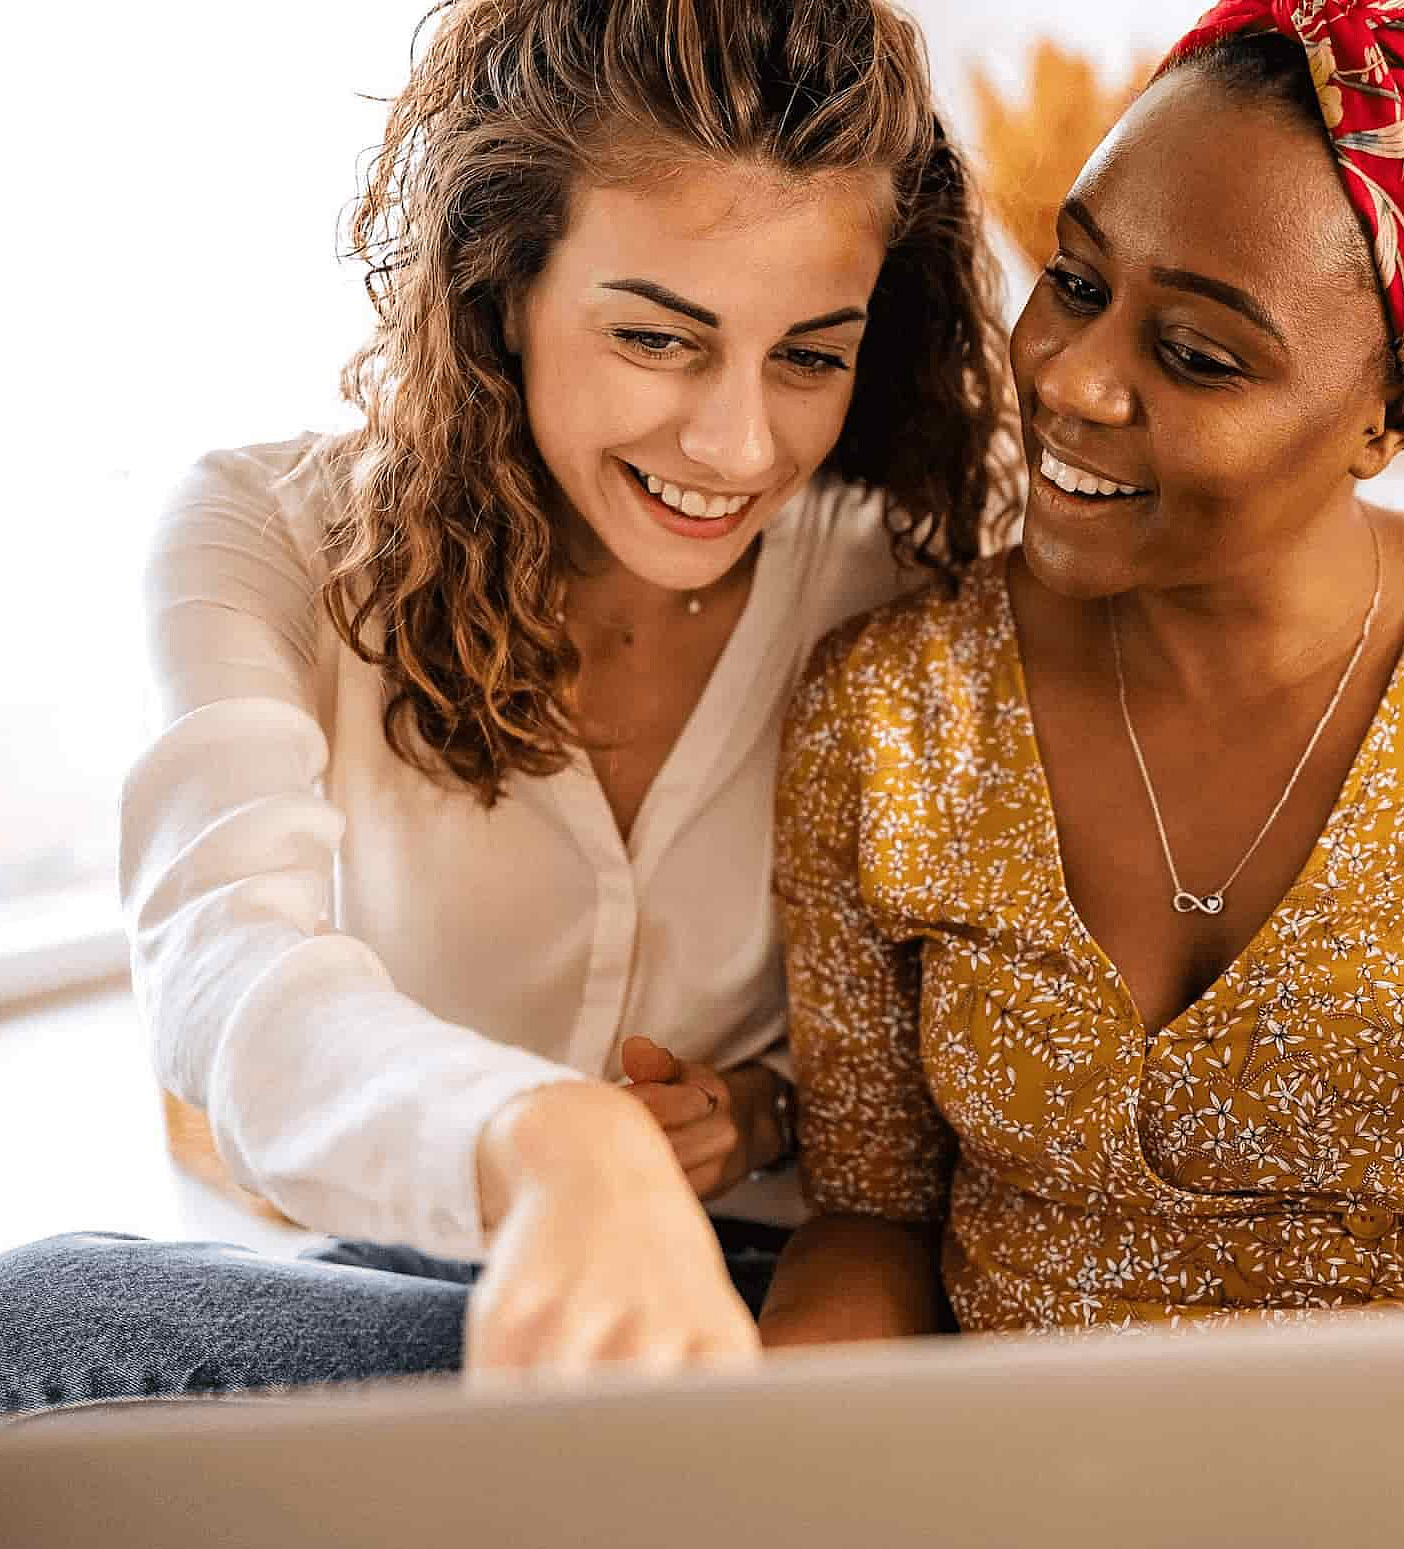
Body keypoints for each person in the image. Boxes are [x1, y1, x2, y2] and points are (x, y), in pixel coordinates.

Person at [757, 2, 1404, 1544]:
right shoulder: (890, 705)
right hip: (1042, 1472)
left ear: (1386, 416)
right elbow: (869, 1211)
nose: (1068, 379)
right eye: (1071, 280)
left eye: (1194, 352)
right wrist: (776, 1460)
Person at [0, 0, 1010, 1413]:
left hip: (790, 1303)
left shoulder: (900, 575)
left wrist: (764, 1109)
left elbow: (946, 1072)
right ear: (500, 287)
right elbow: (228, 982)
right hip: (420, 1288)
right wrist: (551, 1142)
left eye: (807, 355)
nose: (736, 443)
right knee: (34, 1312)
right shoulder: (261, 536)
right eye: (658, 340)